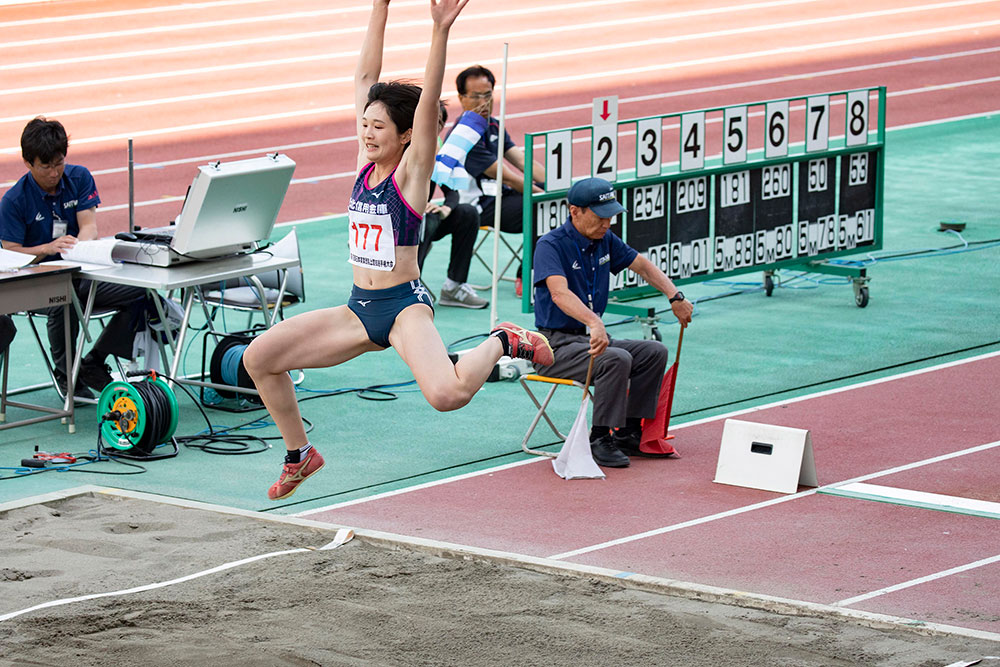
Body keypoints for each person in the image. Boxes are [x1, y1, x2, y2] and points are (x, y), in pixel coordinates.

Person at [243, 0, 554, 501]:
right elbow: (366, 73)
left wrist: (439, 30)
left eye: (379, 127)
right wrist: (380, 6)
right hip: (358, 308)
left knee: (447, 394)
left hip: (403, 307)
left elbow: (429, 101)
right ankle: (300, 453)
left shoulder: (411, 176)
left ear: (406, 136)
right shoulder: (364, 164)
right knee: (260, 357)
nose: (367, 132)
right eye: (365, 123)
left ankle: (503, 340)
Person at [532, 177, 694, 468]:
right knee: (616, 358)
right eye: (600, 217)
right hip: (554, 345)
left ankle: (628, 433)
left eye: (611, 217)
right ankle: (599, 437)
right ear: (575, 212)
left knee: (653, 352)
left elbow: (641, 265)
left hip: (590, 340)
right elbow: (559, 293)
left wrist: (675, 296)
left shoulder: (605, 239)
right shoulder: (550, 245)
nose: (607, 224)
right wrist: (595, 323)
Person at [0, 117, 151, 400]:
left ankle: (94, 361)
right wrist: (46, 248)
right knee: (64, 300)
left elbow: (89, 225)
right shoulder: (13, 201)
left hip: (80, 272)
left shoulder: (79, 177)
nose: (54, 172)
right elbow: (9, 251)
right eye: (46, 166)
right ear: (28, 163)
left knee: (142, 291)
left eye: (59, 163)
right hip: (38, 282)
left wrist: (81, 248)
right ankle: (65, 372)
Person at [453, 64, 546, 297]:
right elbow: (510, 177)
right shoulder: (465, 134)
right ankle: (527, 275)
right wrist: (545, 195)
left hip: (501, 197)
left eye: (487, 95)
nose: (483, 102)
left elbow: (522, 161)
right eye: (475, 96)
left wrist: (558, 184)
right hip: (479, 207)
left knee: (551, 197)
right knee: (543, 208)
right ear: (462, 99)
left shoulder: (494, 125)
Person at [418, 101, 486, 309]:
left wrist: (445, 208)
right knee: (424, 218)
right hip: (396, 221)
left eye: (439, 121)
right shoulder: (405, 147)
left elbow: (452, 192)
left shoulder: (442, 149)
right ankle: (410, 284)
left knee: (467, 213)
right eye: (429, 119)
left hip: (424, 218)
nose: (434, 125)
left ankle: (454, 286)